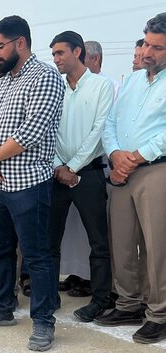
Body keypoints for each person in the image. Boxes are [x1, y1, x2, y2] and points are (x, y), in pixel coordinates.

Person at [0, 15, 64, 352]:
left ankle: (43, 321)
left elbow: (32, 131)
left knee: (37, 256)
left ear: (20, 43)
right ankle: (1, 307)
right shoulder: (1, 82)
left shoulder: (45, 77)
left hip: (27, 184)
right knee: (0, 251)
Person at [96, 13, 166, 344]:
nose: (148, 53)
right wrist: (115, 155)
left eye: (157, 47)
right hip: (121, 168)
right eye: (147, 44)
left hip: (156, 170)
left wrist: (135, 157)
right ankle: (128, 303)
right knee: (122, 241)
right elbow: (110, 121)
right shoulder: (135, 80)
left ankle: (160, 313)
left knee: (157, 246)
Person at [48, 31, 114, 322]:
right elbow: (46, 130)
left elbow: (100, 132)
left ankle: (100, 299)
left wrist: (73, 167)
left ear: (78, 52)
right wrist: (59, 166)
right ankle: (48, 296)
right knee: (49, 241)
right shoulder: (54, 88)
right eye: (53, 54)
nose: (56, 59)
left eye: (60, 53)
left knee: (99, 242)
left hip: (89, 174)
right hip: (55, 173)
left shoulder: (102, 86)